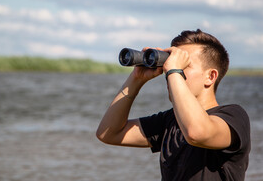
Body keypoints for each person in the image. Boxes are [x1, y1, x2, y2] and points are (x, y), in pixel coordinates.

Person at [96, 29, 251, 181]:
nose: (169, 73)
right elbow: (108, 133)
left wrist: (174, 70)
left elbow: (196, 133)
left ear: (210, 76)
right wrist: (136, 79)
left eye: (183, 66)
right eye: (169, 65)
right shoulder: (170, 120)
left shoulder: (234, 117)